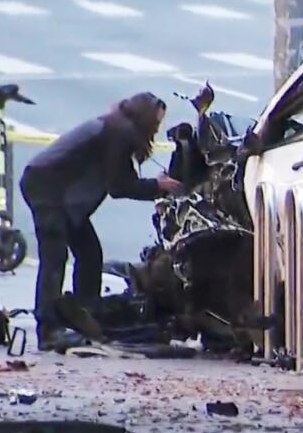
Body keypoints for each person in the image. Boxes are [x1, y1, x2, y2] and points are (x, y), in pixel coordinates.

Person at [20, 92, 182, 350]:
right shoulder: (118, 134)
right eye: (155, 124)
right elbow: (119, 185)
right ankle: (48, 329)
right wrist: (159, 186)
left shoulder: (116, 126)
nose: (157, 129)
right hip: (48, 190)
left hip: (64, 196)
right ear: (144, 119)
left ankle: (86, 314)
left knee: (89, 253)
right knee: (54, 258)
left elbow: (121, 178)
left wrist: (157, 185)